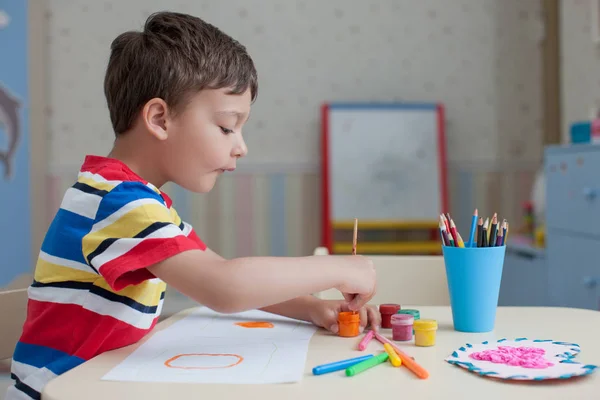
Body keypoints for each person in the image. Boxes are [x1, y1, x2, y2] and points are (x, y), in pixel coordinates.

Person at [6, 11, 378, 400]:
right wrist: (338, 267)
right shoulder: (117, 202)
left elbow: (210, 272)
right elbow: (224, 285)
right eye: (226, 126)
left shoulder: (132, 199)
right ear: (160, 118)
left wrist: (310, 309)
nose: (241, 145)